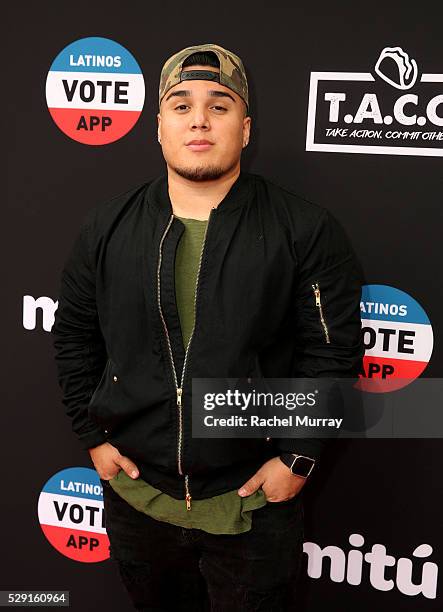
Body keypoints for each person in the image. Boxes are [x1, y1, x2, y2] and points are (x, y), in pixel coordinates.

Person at [51, 43, 364, 611]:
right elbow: (73, 336)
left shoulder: (306, 229)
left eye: (220, 106)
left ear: (245, 130)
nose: (199, 118)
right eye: (182, 104)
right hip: (138, 503)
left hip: (251, 512)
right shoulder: (105, 226)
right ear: (159, 128)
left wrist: (297, 458)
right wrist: (92, 437)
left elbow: (332, 356)